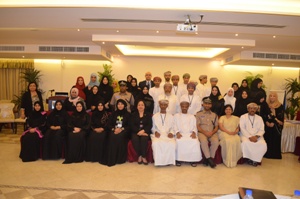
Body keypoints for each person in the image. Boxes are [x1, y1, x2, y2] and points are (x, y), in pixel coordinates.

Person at [174, 100, 201, 167]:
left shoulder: (192, 116)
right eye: (183, 106)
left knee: (195, 141)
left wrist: (194, 133)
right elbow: (174, 125)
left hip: (190, 134)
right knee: (179, 141)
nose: (184, 108)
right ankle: (178, 159)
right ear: (180, 107)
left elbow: (195, 126)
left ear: (188, 107)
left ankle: (192, 160)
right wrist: (177, 133)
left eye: (186, 106)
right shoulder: (176, 116)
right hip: (180, 133)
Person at [105, 99, 130, 166]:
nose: (120, 105)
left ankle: (119, 158)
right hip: (114, 130)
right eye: (118, 104)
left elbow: (129, 126)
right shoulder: (114, 113)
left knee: (119, 136)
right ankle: (112, 157)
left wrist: (121, 129)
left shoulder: (128, 114)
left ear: (124, 105)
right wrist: (114, 129)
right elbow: (109, 124)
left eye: (122, 104)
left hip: (124, 131)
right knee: (112, 136)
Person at [196, 97, 219, 168]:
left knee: (216, 142)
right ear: (203, 104)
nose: (207, 105)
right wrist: (205, 132)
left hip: (212, 132)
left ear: (211, 105)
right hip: (202, 132)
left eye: (209, 104)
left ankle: (209, 159)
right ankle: (210, 159)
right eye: (206, 103)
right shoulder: (198, 114)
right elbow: (197, 126)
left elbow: (216, 126)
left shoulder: (214, 115)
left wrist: (212, 132)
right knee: (203, 141)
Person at [151, 99, 176, 166]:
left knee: (172, 143)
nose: (163, 106)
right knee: (156, 143)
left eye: (165, 105)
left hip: (168, 134)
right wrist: (155, 132)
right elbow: (153, 127)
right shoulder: (155, 116)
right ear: (159, 105)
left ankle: (168, 161)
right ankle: (158, 162)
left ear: (167, 106)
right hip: (158, 135)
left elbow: (173, 127)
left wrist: (171, 133)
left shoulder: (171, 116)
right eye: (162, 105)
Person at [130, 100, 152, 165]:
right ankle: (139, 155)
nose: (140, 106)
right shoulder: (133, 114)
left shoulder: (148, 114)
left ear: (144, 106)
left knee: (144, 139)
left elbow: (149, 125)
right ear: (137, 106)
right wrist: (138, 131)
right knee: (135, 139)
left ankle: (144, 156)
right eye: (139, 105)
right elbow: (131, 125)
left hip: (145, 131)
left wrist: (143, 131)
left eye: (142, 105)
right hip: (135, 131)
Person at [263, 91, 284, 159]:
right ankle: (266, 154)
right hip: (267, 125)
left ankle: (275, 155)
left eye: (274, 96)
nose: (272, 97)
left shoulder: (280, 105)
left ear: (276, 97)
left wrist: (274, 122)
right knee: (267, 139)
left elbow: (280, 117)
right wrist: (266, 122)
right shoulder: (266, 105)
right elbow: (264, 115)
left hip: (276, 126)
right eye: (270, 96)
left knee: (275, 139)